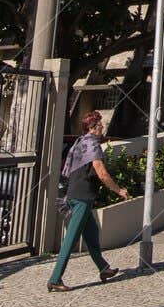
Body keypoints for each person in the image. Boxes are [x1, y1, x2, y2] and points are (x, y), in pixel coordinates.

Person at [48, 111, 126, 292]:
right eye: (99, 124)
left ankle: (104, 269)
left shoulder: (80, 142)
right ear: (92, 127)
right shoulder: (93, 146)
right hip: (82, 197)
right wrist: (118, 190)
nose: (102, 127)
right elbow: (101, 172)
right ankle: (55, 278)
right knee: (71, 239)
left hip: (77, 194)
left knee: (91, 234)